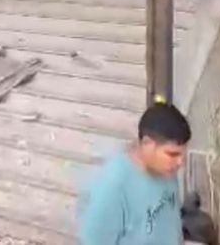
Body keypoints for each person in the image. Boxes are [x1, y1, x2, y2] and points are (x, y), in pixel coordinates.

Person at [78, 100, 191, 245]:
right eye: (172, 154)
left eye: (183, 154)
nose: (180, 162)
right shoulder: (112, 186)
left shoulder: (167, 170)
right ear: (147, 144)